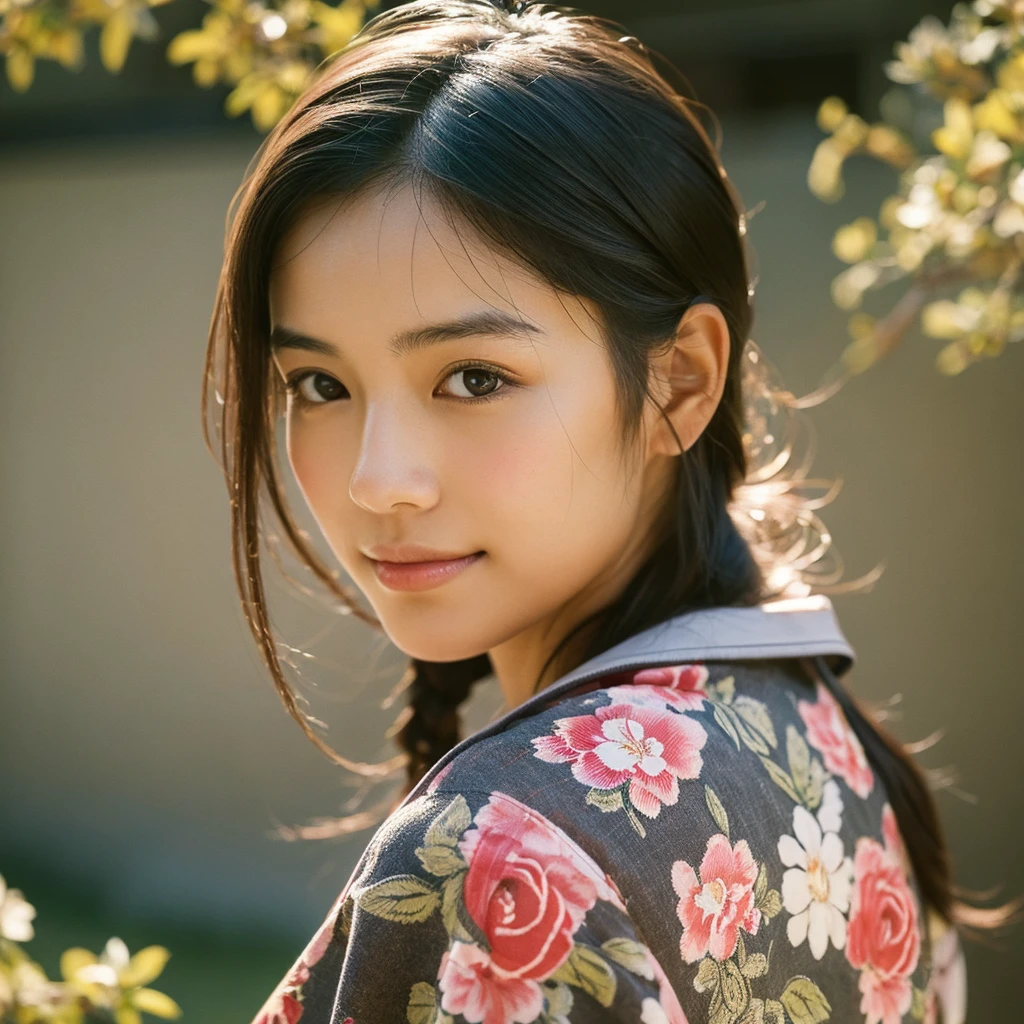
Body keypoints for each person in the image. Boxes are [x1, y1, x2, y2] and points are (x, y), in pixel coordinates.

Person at [201, 2, 1012, 1021]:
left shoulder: (500, 855)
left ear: (677, 382)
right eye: (317, 384)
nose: (377, 478)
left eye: (474, 376)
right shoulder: (824, 745)